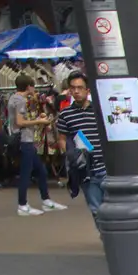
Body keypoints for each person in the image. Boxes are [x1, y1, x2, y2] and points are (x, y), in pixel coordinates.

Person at [8, 74, 66, 216]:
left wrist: (35, 119)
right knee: (26, 174)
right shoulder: (20, 101)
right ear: (29, 86)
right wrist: (39, 122)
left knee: (41, 171)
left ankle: (46, 200)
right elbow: (20, 122)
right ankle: (22, 205)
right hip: (24, 141)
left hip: (27, 141)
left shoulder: (13, 98)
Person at [54, 71, 104, 216]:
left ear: (87, 90)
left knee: (114, 208)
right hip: (86, 169)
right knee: (96, 209)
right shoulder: (65, 114)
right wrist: (71, 155)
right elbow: (62, 139)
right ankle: (106, 238)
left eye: (80, 87)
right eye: (73, 88)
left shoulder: (99, 110)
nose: (76, 91)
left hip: (106, 166)